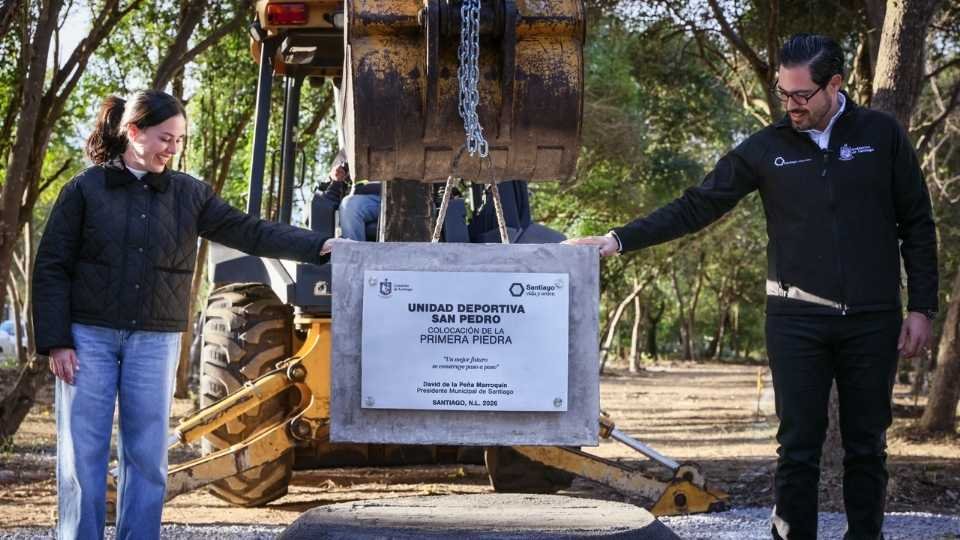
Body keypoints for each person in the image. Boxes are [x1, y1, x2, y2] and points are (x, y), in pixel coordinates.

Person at [567, 34, 937, 540]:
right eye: (783, 94)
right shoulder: (766, 148)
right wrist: (617, 240)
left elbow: (916, 222)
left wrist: (921, 307)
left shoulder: (881, 134)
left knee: (867, 447)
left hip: (872, 319)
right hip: (795, 321)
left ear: (835, 85)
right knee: (798, 449)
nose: (791, 105)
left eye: (801, 95)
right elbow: (698, 205)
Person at [32, 90, 337, 540]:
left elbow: (250, 231)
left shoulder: (189, 194)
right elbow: (51, 266)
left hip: (154, 341)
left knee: (148, 455)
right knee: (83, 454)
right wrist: (56, 339)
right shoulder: (84, 190)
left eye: (179, 140)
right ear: (132, 132)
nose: (172, 150)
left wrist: (317, 245)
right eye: (164, 138)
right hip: (88, 338)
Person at [325, 150, 380, 241]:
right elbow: (335, 173)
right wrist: (336, 176)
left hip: (392, 191)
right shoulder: (348, 147)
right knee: (349, 206)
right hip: (371, 202)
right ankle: (356, 254)